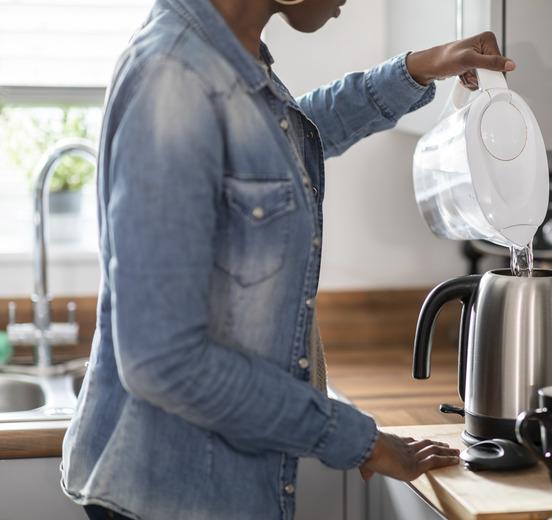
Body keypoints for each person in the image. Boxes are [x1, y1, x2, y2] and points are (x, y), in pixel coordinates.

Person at [61, 0, 515, 518]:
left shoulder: (231, 59)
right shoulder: (175, 79)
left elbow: (291, 136)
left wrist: (413, 70)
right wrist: (360, 441)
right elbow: (162, 361)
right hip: (169, 497)